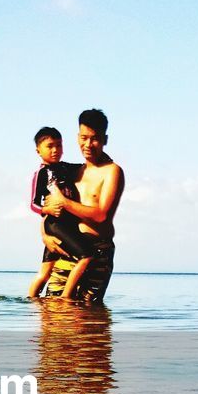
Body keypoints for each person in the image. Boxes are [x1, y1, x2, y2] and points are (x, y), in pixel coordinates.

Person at [41, 109, 124, 303]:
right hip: (68, 246)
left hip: (96, 251)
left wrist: (64, 201)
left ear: (105, 139)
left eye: (94, 139)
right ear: (78, 137)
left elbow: (102, 215)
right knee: (52, 312)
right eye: (83, 137)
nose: (88, 144)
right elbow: (50, 208)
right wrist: (45, 234)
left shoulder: (112, 172)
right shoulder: (74, 171)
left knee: (86, 318)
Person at [27, 127, 98, 299]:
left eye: (59, 145)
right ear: (38, 150)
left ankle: (32, 300)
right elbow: (33, 204)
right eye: (50, 146)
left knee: (46, 270)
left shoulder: (66, 167)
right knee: (87, 255)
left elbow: (86, 167)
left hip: (67, 225)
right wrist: (47, 209)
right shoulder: (41, 173)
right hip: (55, 224)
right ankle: (65, 297)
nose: (55, 150)